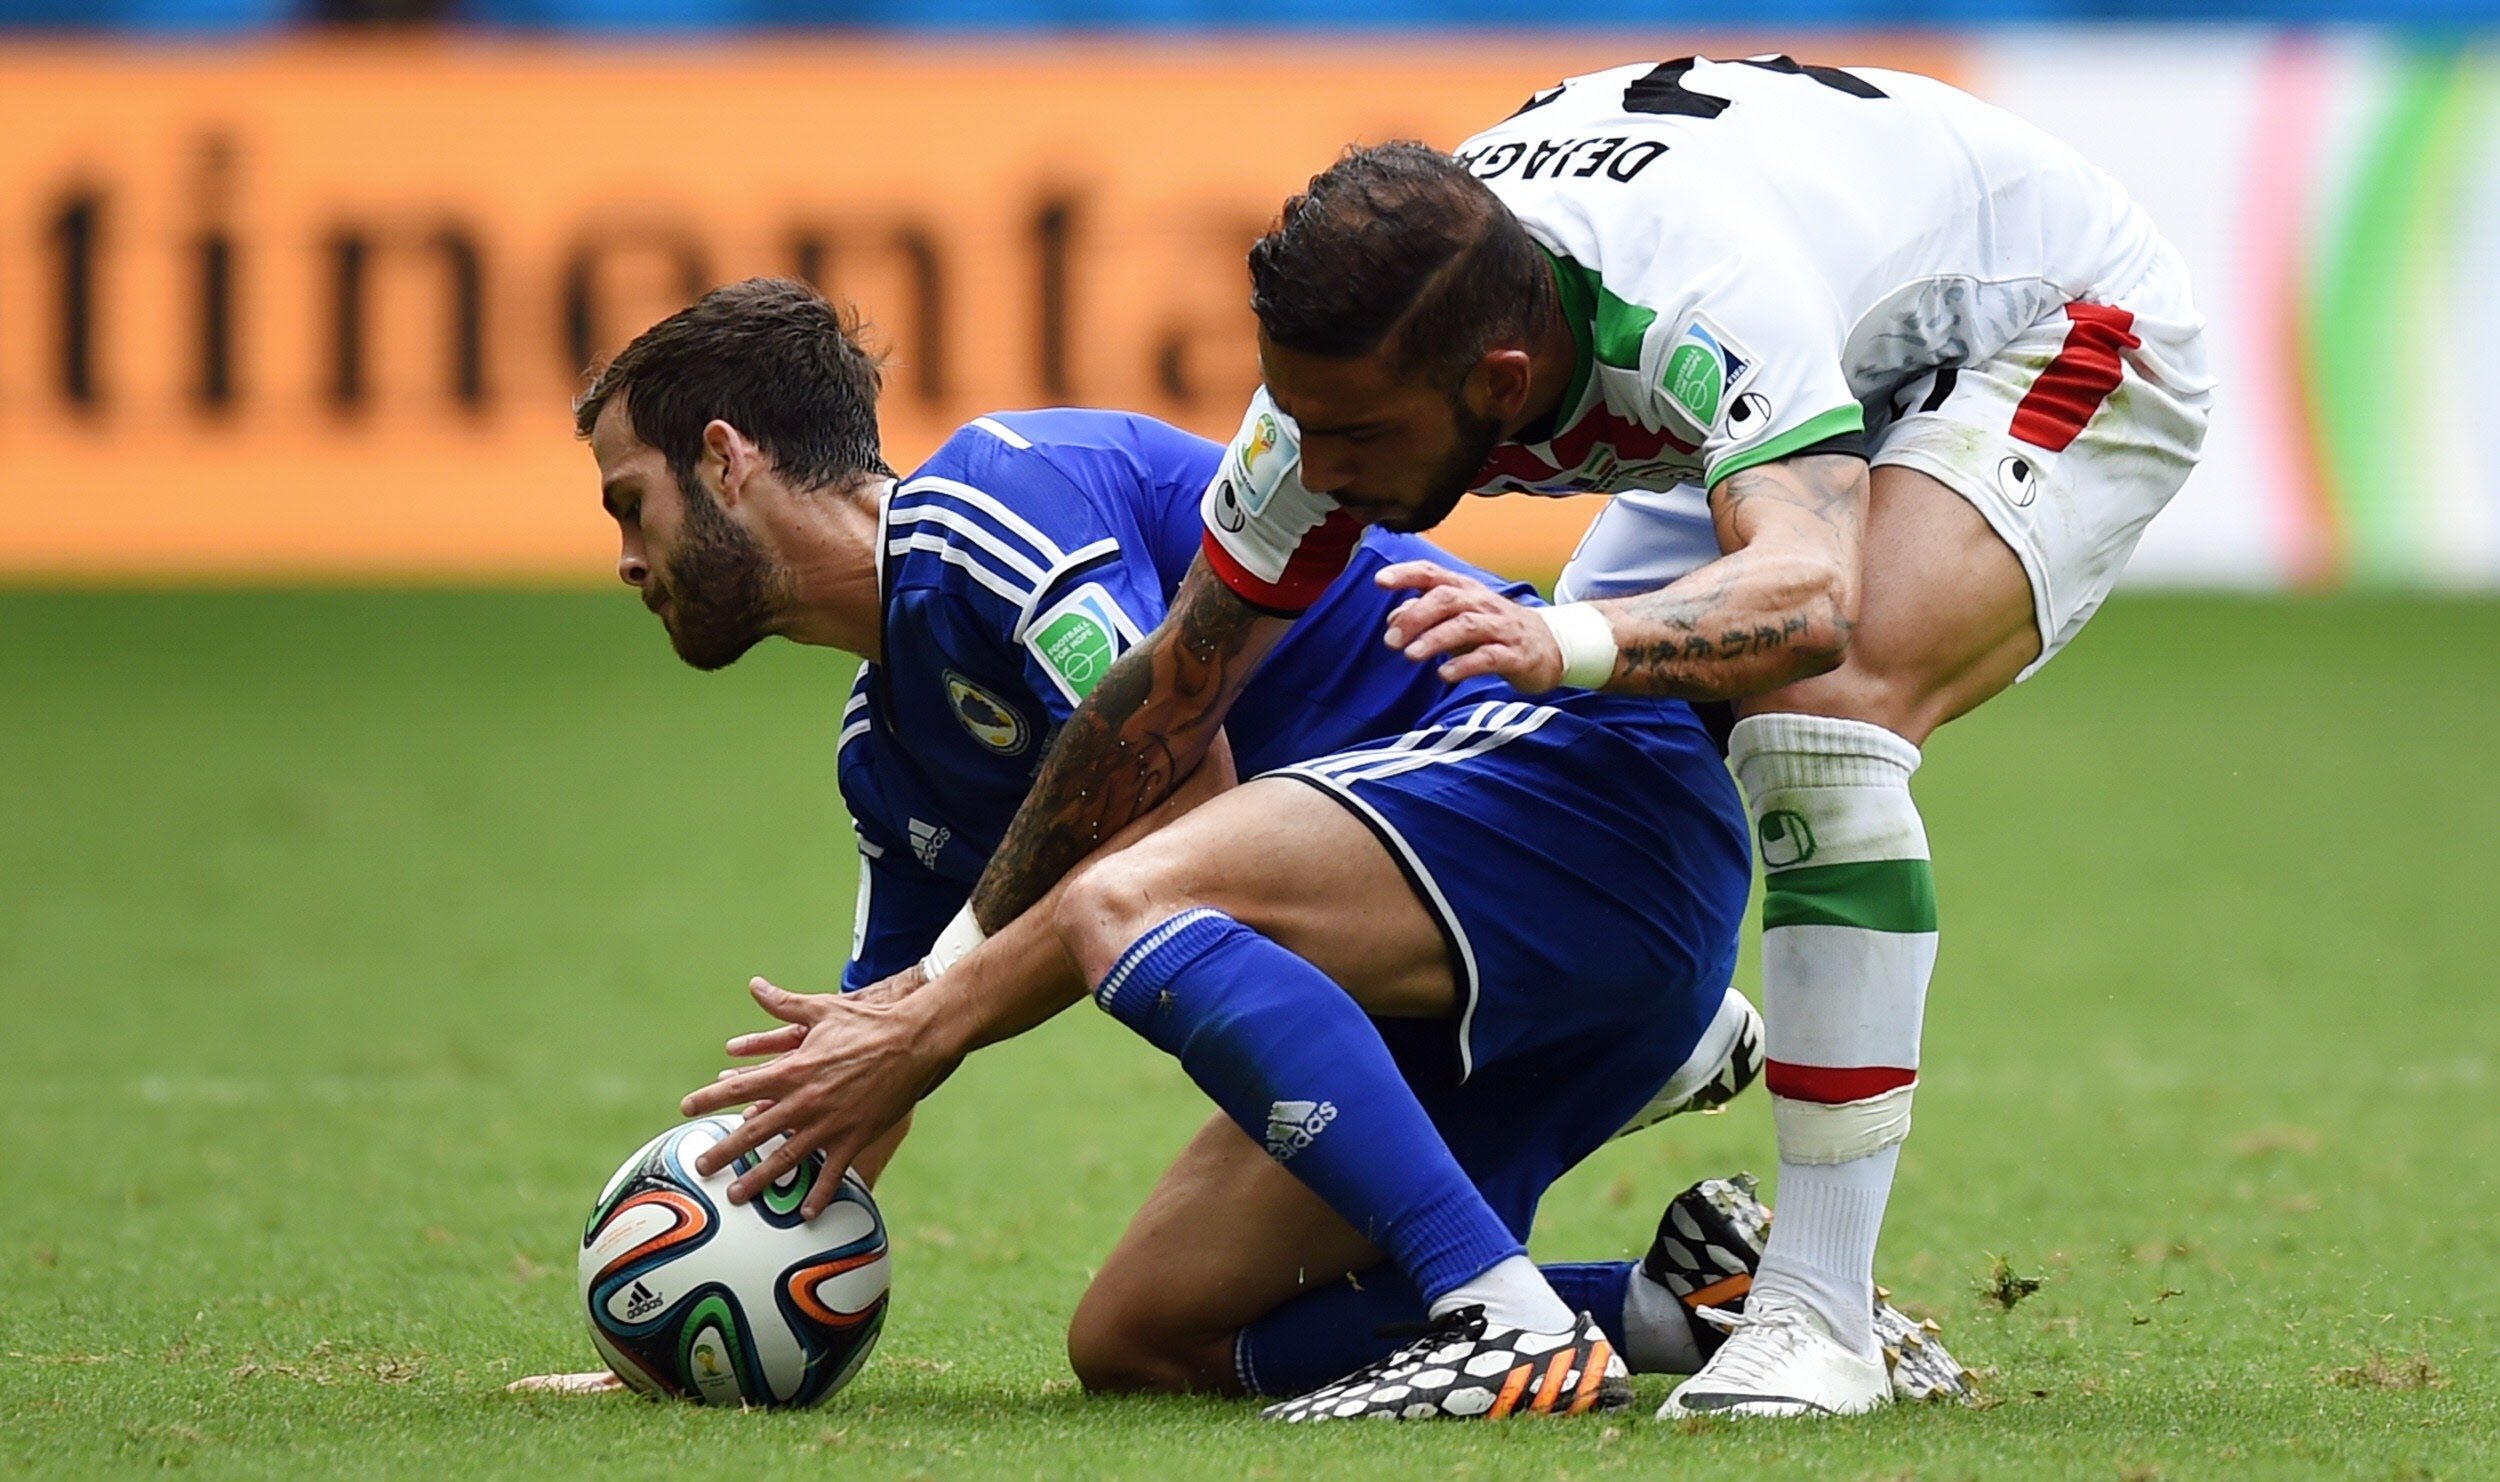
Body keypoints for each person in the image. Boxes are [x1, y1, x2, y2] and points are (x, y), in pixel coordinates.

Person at [761, 58, 2206, 1421]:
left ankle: (1817, 1310)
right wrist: (932, 984)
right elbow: (1170, 697)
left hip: (2042, 321)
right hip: (1795, 356)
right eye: (1301, 426)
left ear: (1504, 385)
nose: (1318, 476)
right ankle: (1664, 1137)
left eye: (1359, 439)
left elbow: (1810, 595)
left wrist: (1570, 640)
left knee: (1816, 717)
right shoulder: (1351, 388)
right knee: (1585, 762)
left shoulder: (1699, 305)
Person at [539, 278, 1842, 1416]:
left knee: (1133, 887)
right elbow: (879, 1050)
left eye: (629, 502)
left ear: (725, 459)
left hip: (1582, 805)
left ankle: (1500, 1315)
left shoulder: (986, 506)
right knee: (1145, 1339)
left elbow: (1182, 793)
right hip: (1467, 968)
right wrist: (680, 1306)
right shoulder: (885, 750)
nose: (624, 556)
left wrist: (931, 1016)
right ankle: (1691, 1303)